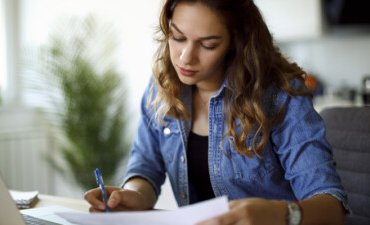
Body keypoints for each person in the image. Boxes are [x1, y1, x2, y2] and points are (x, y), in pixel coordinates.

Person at [85, 0, 350, 224]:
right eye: (178, 37)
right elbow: (145, 167)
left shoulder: (279, 94)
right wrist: (133, 194)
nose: (185, 57)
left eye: (208, 44)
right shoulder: (162, 89)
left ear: (237, 42)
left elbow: (332, 206)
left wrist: (278, 214)